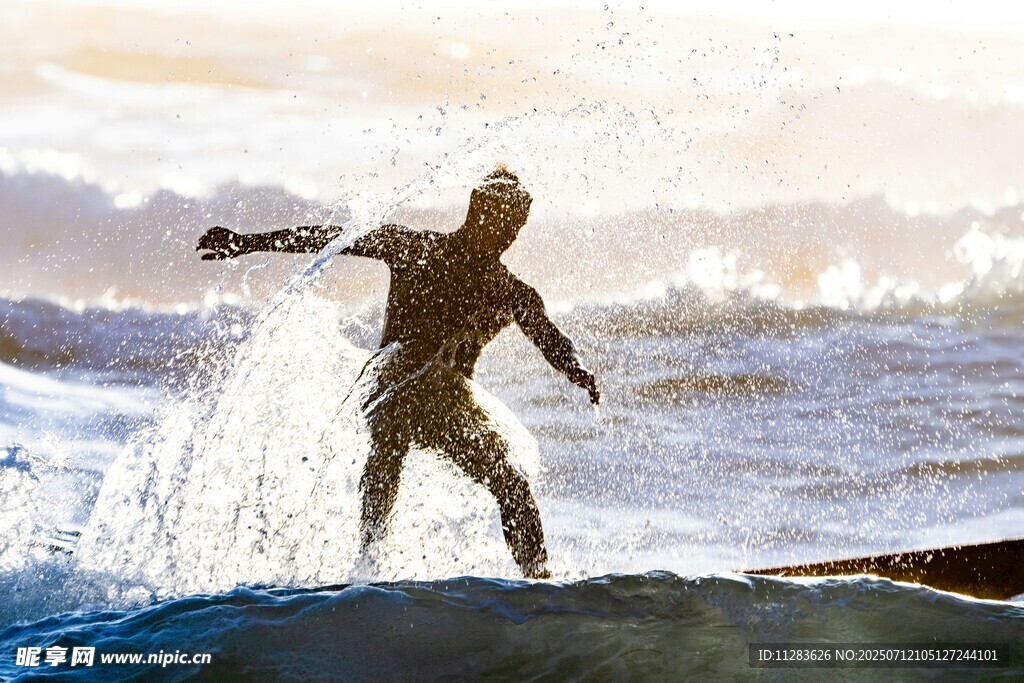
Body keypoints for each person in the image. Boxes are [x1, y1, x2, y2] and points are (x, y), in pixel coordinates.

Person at [197, 165, 600, 578]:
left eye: (516, 225)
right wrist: (247, 242)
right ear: (476, 208)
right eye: (502, 220)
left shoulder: (510, 291)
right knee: (392, 434)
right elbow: (334, 238)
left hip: (451, 404)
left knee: (512, 483)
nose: (507, 234)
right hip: (394, 388)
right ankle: (368, 564)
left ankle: (538, 583)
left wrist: (576, 368)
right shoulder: (414, 248)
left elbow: (551, 337)